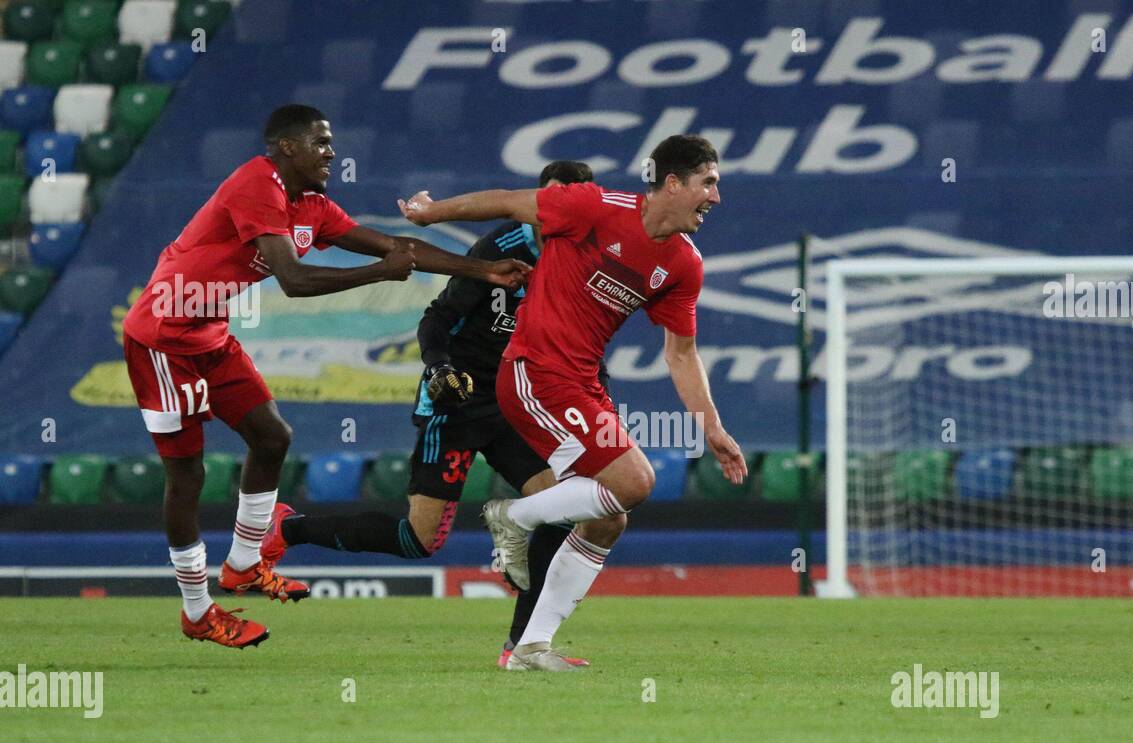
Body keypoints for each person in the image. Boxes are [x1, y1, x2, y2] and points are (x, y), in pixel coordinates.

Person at [120, 104, 530, 649]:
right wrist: (376, 274)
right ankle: (198, 611)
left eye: (332, 143)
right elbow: (292, 278)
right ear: (287, 148)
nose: (332, 153)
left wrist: (481, 270)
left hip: (211, 334)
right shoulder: (254, 184)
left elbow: (396, 248)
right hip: (162, 338)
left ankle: (243, 563)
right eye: (321, 142)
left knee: (272, 436)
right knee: (188, 475)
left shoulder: (309, 205)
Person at [398, 135, 746, 671]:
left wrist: (713, 427)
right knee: (634, 482)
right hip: (533, 372)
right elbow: (507, 199)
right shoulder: (593, 207)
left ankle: (530, 648)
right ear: (672, 183)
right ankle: (513, 517)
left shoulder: (682, 264)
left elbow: (681, 354)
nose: (716, 197)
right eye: (709, 183)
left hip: (582, 385)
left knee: (610, 517)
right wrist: (429, 214)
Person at [261, 161, 600, 668]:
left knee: (567, 508)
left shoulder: (590, 258)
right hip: (457, 399)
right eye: (546, 202)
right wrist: (439, 367)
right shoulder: (501, 249)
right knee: (419, 540)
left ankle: (523, 647)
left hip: (517, 399)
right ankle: (287, 528)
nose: (553, 214)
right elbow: (437, 318)